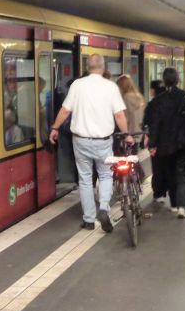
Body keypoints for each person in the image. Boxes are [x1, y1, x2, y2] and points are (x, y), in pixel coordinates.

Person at [48, 54, 132, 232]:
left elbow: (65, 111)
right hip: (103, 142)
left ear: (87, 68)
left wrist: (55, 128)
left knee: (85, 179)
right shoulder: (110, 87)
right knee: (105, 175)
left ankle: (88, 220)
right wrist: (126, 134)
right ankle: (103, 208)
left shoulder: (78, 85)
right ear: (103, 67)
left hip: (81, 141)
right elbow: (119, 115)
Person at [145, 68, 185, 219]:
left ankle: (174, 204)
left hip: (166, 145)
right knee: (183, 174)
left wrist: (152, 145)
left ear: (164, 80)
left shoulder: (159, 100)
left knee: (170, 173)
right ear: (178, 80)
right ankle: (181, 207)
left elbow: (155, 125)